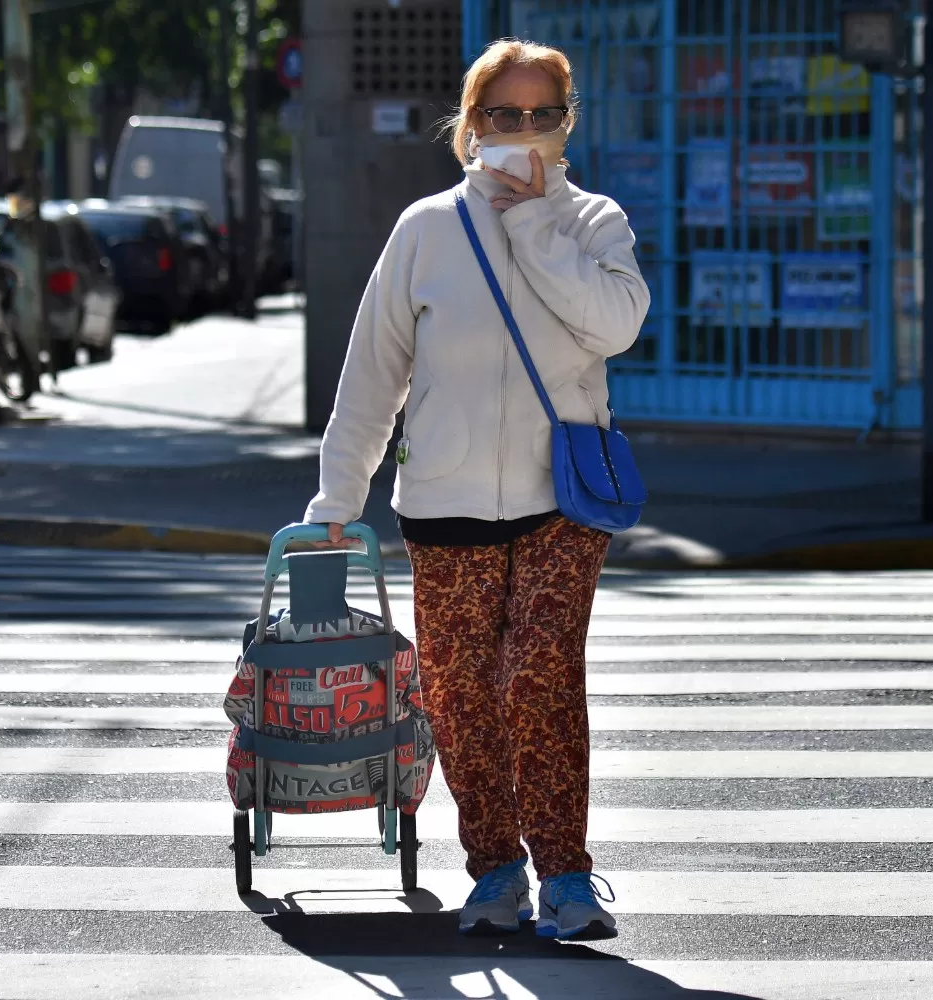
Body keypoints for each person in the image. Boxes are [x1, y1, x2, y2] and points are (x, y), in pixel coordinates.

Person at [303, 38, 650, 940]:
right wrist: (338, 504)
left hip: (561, 502)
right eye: (504, 115)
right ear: (471, 125)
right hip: (443, 507)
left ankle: (567, 876)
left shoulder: (593, 222)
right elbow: (373, 374)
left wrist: (534, 224)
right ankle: (496, 868)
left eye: (543, 115)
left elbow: (616, 326)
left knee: (536, 676)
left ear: (567, 123)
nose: (523, 133)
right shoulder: (425, 230)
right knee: (460, 695)